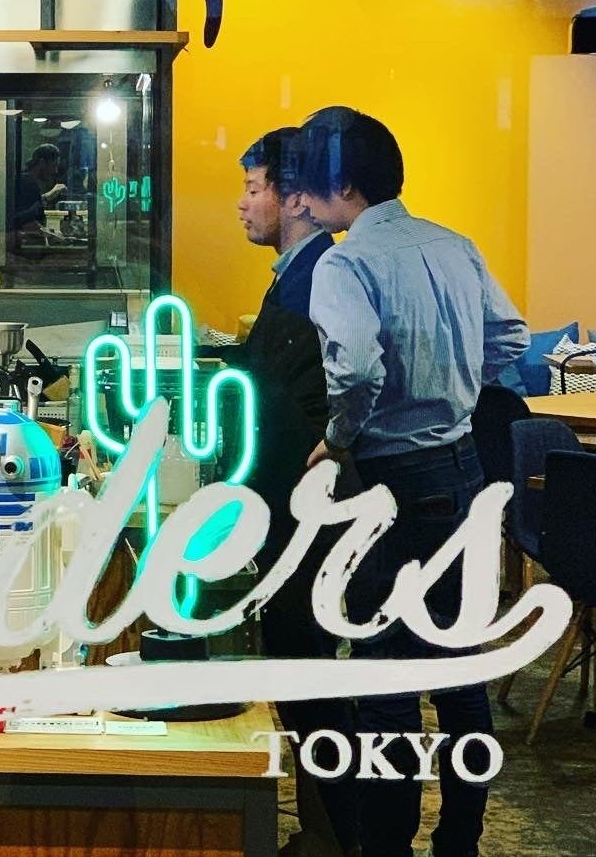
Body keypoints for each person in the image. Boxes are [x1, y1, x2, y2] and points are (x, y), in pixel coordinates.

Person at [286, 107, 528, 857]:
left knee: (385, 673)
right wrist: (454, 389)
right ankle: (460, 842)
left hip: (388, 480)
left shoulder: (344, 264)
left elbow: (357, 370)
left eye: (308, 184)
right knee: (459, 666)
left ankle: (387, 846)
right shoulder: (454, 244)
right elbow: (511, 336)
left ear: (342, 187)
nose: (301, 200)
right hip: (462, 469)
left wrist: (338, 437)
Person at [232, 129, 358, 857]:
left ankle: (336, 835)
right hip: (287, 507)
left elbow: (319, 401)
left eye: (254, 189)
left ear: (297, 199)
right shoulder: (293, 275)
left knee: (309, 676)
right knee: (301, 673)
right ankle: (326, 831)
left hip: (306, 512)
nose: (243, 204)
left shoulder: (319, 278)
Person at [12, 143, 68, 232]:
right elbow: (28, 223)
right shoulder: (28, 182)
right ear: (42, 162)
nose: (55, 171)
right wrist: (52, 236)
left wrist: (47, 196)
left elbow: (28, 207)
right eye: (54, 166)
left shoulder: (25, 179)